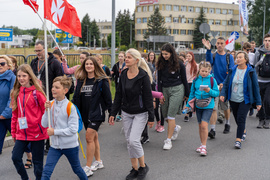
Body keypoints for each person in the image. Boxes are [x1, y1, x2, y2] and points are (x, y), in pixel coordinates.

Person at [109, 48, 154, 180]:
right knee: (129, 141)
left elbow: (148, 97)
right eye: (125, 57)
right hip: (126, 112)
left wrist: (151, 117)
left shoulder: (143, 76)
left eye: (129, 57)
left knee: (134, 140)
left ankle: (143, 166)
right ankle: (134, 169)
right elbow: (118, 95)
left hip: (140, 113)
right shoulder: (123, 74)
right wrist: (113, 112)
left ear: (136, 60)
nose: (125, 59)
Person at [41, 76, 88, 180]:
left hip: (70, 146)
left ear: (65, 91)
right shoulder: (51, 104)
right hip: (55, 146)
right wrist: (46, 111)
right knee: (46, 171)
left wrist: (55, 132)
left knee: (77, 169)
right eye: (53, 86)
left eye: (57, 87)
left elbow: (73, 130)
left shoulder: (70, 107)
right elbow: (44, 124)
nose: (53, 89)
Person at [72, 56, 112, 177]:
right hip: (84, 113)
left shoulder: (101, 80)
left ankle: (88, 167)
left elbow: (108, 98)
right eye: (86, 64)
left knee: (89, 137)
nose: (88, 66)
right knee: (93, 138)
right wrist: (73, 111)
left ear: (95, 66)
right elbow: (76, 98)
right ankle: (98, 161)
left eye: (91, 64)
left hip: (97, 113)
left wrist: (111, 113)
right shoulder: (80, 80)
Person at [11, 64, 48, 180]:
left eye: (24, 76)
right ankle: (25, 178)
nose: (21, 78)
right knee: (15, 157)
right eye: (19, 76)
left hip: (37, 133)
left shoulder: (38, 93)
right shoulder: (16, 93)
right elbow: (14, 115)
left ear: (30, 77)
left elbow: (46, 114)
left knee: (38, 164)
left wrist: (44, 129)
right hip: (22, 133)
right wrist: (13, 132)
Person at [220, 51, 261, 149]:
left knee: (241, 118)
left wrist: (259, 102)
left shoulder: (250, 71)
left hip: (245, 100)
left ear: (245, 59)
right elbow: (226, 83)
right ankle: (243, 130)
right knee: (237, 118)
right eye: (237, 57)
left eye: (240, 57)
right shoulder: (232, 70)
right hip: (233, 99)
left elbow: (256, 87)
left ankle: (238, 140)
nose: (237, 59)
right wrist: (223, 94)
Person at [156, 43, 189, 150]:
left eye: (166, 54)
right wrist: (160, 94)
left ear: (171, 53)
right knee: (165, 116)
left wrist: (187, 95)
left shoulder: (179, 63)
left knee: (171, 116)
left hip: (177, 89)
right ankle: (175, 128)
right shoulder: (160, 63)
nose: (164, 56)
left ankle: (168, 140)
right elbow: (159, 81)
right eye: (163, 54)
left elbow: (184, 80)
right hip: (165, 89)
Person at [185, 61, 219, 156]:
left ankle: (204, 146)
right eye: (202, 71)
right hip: (198, 105)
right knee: (200, 126)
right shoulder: (196, 80)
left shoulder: (212, 80)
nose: (204, 73)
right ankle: (201, 144)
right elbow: (192, 93)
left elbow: (216, 93)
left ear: (210, 71)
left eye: (206, 71)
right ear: (199, 70)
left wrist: (209, 90)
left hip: (208, 105)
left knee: (204, 125)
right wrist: (188, 105)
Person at [202, 37, 234, 138]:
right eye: (218, 43)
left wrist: (224, 84)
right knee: (214, 108)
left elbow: (231, 72)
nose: (219, 45)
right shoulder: (214, 55)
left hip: (224, 86)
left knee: (225, 106)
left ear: (224, 45)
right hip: (214, 86)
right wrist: (208, 49)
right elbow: (208, 63)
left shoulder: (229, 57)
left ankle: (227, 123)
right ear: (216, 44)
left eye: (221, 43)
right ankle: (213, 129)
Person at [0, 55, 16, 155]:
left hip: (9, 116)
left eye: (2, 64)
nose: (0, 65)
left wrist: (5, 114)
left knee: (18, 139)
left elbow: (12, 98)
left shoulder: (13, 78)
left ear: (8, 66)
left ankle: (30, 156)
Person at [254, 34, 270, 129]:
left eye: (269, 40)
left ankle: (267, 119)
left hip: (269, 81)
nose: (267, 42)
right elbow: (254, 66)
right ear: (263, 41)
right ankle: (261, 119)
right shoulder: (258, 52)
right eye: (266, 40)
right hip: (259, 80)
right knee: (259, 101)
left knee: (267, 101)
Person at [148, 51, 164, 133]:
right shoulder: (156, 69)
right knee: (155, 107)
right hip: (156, 89)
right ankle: (158, 122)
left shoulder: (164, 69)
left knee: (162, 109)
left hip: (163, 90)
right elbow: (153, 81)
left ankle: (162, 124)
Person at [183, 52, 199, 122]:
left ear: (192, 57)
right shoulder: (185, 64)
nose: (188, 58)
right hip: (185, 83)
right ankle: (189, 111)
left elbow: (197, 75)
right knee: (187, 98)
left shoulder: (196, 65)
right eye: (187, 56)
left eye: (189, 56)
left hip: (192, 83)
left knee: (190, 98)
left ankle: (187, 114)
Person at [111, 51, 126, 122]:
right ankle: (119, 114)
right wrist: (111, 75)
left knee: (124, 98)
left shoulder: (126, 64)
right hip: (118, 83)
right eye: (119, 56)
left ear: (124, 57)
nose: (120, 58)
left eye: (121, 56)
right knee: (118, 98)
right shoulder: (116, 65)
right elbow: (112, 73)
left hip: (125, 83)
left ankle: (124, 113)